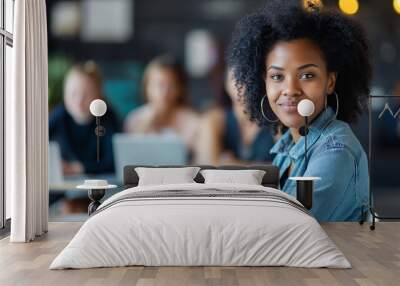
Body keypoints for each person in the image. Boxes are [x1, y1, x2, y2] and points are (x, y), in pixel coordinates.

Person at [227, 0, 372, 221]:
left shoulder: (337, 151)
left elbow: (287, 226)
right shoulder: (288, 145)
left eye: (307, 75)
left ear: (330, 82)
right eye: (277, 77)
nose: (291, 90)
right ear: (264, 81)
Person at [49, 61, 120, 176]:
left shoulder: (109, 118)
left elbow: (113, 162)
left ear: (98, 95)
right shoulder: (59, 115)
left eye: (87, 94)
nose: (79, 101)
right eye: (73, 93)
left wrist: (76, 169)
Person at [195, 68, 275, 165]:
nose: (241, 85)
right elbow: (207, 166)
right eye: (235, 78)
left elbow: (284, 169)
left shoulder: (276, 121)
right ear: (225, 83)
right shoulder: (214, 119)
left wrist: (230, 163)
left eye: (248, 78)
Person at [124, 55, 199, 154]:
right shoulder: (134, 119)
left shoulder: (194, 121)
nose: (164, 92)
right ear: (147, 87)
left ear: (180, 89)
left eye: (171, 85)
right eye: (159, 85)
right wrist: (147, 123)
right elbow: (130, 154)